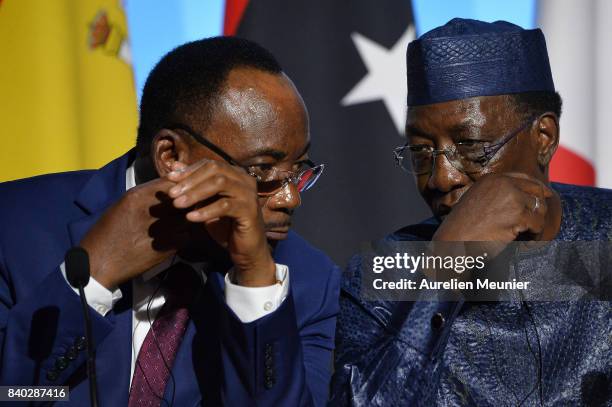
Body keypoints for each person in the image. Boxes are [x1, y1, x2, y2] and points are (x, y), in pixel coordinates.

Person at [0, 37, 340, 406]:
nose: (290, 198)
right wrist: (92, 280)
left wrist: (254, 280)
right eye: (262, 171)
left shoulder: (308, 282)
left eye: (299, 170)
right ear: (171, 155)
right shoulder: (13, 228)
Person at [330, 19, 611, 406]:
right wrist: (442, 271)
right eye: (421, 152)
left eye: (471, 146)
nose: (441, 178)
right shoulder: (383, 272)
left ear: (543, 138)